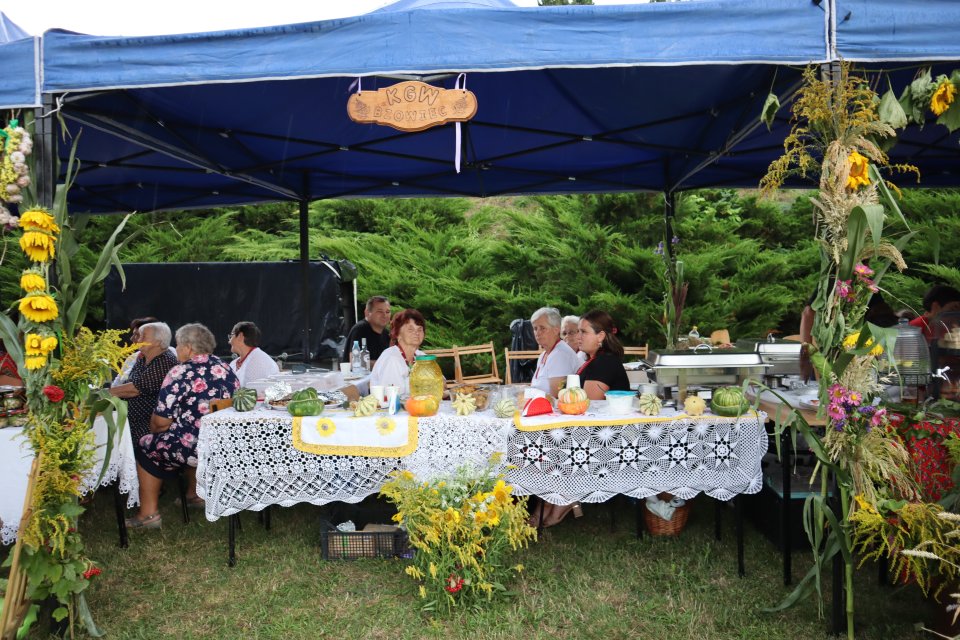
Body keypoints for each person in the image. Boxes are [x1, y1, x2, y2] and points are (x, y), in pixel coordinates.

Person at [127, 323, 239, 529]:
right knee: (185, 436)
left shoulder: (179, 372)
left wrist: (154, 431)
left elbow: (160, 423)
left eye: (178, 345)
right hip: (222, 444)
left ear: (188, 348)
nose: (176, 349)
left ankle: (148, 515)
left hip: (194, 448)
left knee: (146, 444)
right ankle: (195, 495)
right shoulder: (225, 368)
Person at [109, 322, 178, 442]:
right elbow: (128, 383)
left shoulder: (165, 360)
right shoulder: (143, 358)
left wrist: (105, 393)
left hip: (147, 428)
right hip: (130, 422)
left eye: (143, 336)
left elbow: (135, 389)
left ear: (158, 341)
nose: (138, 339)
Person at [370, 309, 426, 395]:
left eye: (420, 329)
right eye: (410, 329)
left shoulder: (420, 355)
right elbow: (392, 396)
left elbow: (440, 381)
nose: (416, 333)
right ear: (398, 334)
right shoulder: (392, 359)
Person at [577, 310, 630, 400]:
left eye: (583, 332)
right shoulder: (600, 359)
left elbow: (589, 403)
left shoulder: (604, 363)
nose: (578, 337)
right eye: (578, 331)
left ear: (600, 336)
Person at [530, 308, 581, 395]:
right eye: (535, 328)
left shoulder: (560, 355)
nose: (537, 333)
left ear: (556, 330)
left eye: (542, 328)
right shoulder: (544, 355)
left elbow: (556, 396)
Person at [111, 316, 159, 387]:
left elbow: (138, 388)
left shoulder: (165, 355)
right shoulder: (133, 357)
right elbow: (116, 383)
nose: (132, 338)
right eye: (133, 334)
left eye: (137, 335)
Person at [227, 321, 279, 386]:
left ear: (240, 336)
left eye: (231, 336)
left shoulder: (259, 362)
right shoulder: (234, 363)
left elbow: (252, 391)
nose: (229, 341)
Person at [342, 296, 392, 364]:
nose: (385, 315)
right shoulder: (360, 329)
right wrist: (385, 364)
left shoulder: (386, 334)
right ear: (367, 313)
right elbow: (355, 361)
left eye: (388, 312)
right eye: (380, 311)